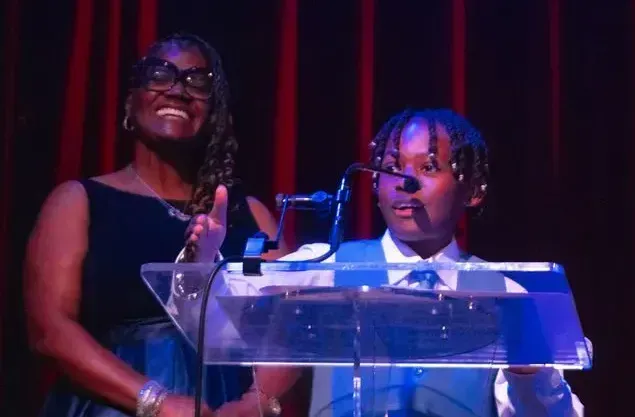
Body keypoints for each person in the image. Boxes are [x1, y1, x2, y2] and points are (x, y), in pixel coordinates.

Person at [193, 108, 586, 416]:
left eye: (428, 167)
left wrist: (529, 372)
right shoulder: (325, 267)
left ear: (473, 189)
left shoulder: (506, 294)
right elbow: (223, 324)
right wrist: (204, 261)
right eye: (392, 167)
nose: (404, 181)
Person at [24, 32, 297, 417]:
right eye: (159, 75)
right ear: (129, 103)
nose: (178, 91)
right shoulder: (78, 201)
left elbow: (291, 329)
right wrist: (156, 401)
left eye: (197, 81)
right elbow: (50, 330)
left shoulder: (250, 214)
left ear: (214, 111)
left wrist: (255, 402)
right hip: (112, 406)